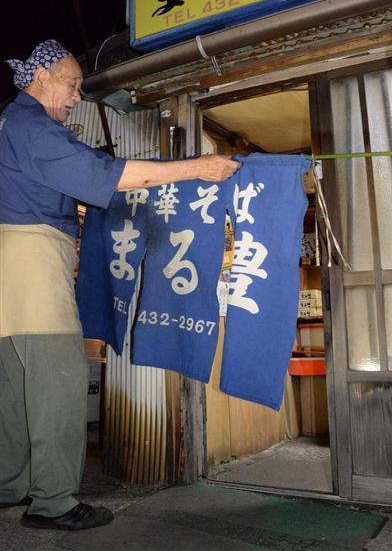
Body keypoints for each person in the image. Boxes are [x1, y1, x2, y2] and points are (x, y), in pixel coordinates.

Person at [0, 39, 239, 531]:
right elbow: (107, 174)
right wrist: (201, 168)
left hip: (9, 261)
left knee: (14, 388)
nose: (76, 98)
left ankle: (10, 486)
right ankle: (54, 503)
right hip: (29, 260)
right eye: (72, 85)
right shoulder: (33, 128)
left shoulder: (7, 123)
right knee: (58, 380)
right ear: (41, 76)